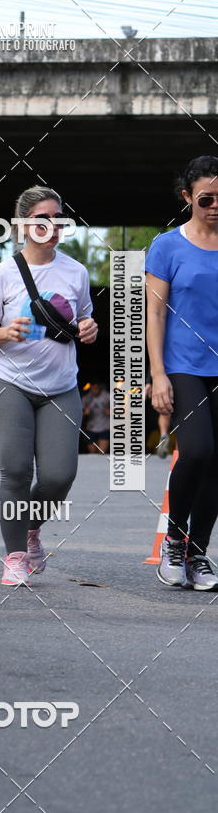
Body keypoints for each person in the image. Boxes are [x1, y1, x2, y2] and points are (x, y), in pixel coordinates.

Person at [0, 186, 97, 585]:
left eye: (57, 218)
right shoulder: (2, 273)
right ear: (23, 224)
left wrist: (89, 329)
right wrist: (5, 332)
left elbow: (83, 323)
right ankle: (14, 556)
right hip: (8, 382)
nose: (52, 225)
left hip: (60, 387)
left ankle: (30, 529)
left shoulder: (76, 272)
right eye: (42, 218)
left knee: (60, 476)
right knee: (16, 472)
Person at [147, 155, 218, 591]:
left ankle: (199, 553)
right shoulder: (167, 246)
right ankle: (174, 540)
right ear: (187, 197)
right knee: (198, 451)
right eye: (206, 198)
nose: (215, 206)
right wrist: (158, 374)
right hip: (184, 365)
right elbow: (154, 313)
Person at [81, 381, 110, 454]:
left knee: (101, 453)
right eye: (92, 388)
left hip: (104, 428)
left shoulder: (108, 396)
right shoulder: (87, 398)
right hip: (91, 428)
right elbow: (79, 413)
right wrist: (85, 413)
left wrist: (110, 411)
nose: (94, 390)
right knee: (93, 454)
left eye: (96, 388)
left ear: (99, 388)